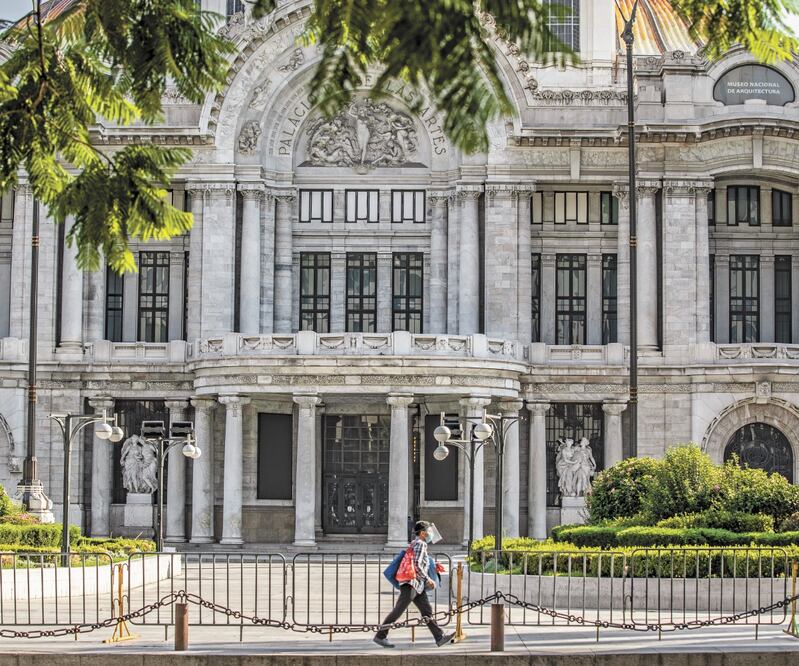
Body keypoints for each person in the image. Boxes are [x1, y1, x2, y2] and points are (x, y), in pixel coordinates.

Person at [374, 521, 455, 648]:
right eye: (429, 531)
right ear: (422, 533)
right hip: (411, 584)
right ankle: (380, 635)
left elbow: (418, 562)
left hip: (417, 585)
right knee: (398, 610)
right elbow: (417, 564)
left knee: (427, 611)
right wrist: (428, 579)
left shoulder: (415, 543)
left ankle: (439, 637)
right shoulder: (421, 544)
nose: (431, 534)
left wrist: (432, 566)